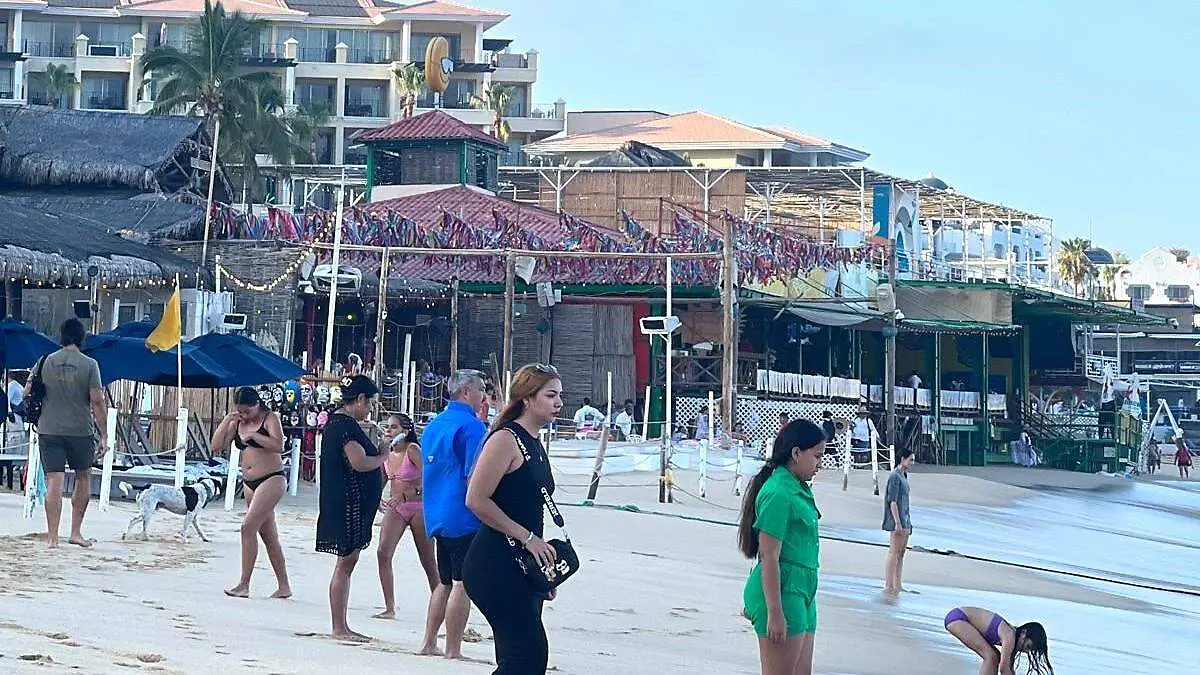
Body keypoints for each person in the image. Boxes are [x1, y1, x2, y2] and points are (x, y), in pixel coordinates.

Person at [464, 363, 564, 675]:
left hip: (523, 564)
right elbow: (475, 499)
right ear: (527, 399)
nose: (559, 403)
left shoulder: (533, 440)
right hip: (495, 562)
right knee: (526, 657)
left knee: (525, 658)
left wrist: (542, 569)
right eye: (550, 395)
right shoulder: (505, 439)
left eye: (559, 395)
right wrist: (528, 538)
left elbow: (529, 508)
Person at [738, 419, 826, 675]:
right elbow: (768, 554)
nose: (820, 463)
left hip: (804, 587)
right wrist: (774, 612)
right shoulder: (778, 492)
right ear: (796, 453)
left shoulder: (798, 488)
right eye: (816, 456)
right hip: (782, 589)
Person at [420, 369, 488, 658]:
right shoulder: (472, 427)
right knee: (462, 583)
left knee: (445, 582)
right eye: (481, 389)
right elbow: (475, 475)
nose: (484, 395)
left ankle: (429, 641)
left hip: (436, 512)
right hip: (462, 514)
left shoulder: (434, 424)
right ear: (467, 392)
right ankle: (453, 648)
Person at [315, 375, 386, 642]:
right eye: (370, 403)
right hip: (347, 504)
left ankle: (341, 625)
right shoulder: (344, 426)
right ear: (359, 399)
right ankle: (339, 627)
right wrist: (383, 455)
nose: (370, 409)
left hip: (349, 502)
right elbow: (359, 462)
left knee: (346, 562)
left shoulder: (340, 423)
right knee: (345, 562)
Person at [29, 318, 107, 549]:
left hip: (49, 428)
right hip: (80, 430)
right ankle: (75, 533)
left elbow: (27, 392)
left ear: (61, 336)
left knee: (54, 480)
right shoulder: (90, 364)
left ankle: (52, 538)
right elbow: (97, 401)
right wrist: (104, 434)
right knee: (83, 477)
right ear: (82, 338)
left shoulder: (44, 361)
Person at [214, 387, 291, 599]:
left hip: (271, 478)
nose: (244, 415)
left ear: (257, 404)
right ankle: (284, 586)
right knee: (268, 536)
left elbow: (279, 445)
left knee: (247, 527)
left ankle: (244, 584)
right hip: (249, 483)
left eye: (247, 411)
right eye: (240, 411)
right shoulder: (238, 422)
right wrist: (228, 421)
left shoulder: (270, 418)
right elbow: (216, 446)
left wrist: (254, 435)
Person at [374, 413, 438, 619]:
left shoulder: (413, 450)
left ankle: (441, 604)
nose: (388, 430)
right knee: (383, 552)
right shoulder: (387, 452)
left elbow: (430, 480)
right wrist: (375, 499)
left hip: (418, 505)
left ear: (405, 431)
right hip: (396, 505)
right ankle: (389, 607)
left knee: (427, 560)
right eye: (387, 426)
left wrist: (407, 494)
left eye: (394, 427)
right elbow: (382, 480)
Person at [943, 606, 1053, 675]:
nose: (1025, 650)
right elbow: (1003, 668)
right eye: (1027, 646)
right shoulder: (1009, 635)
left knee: (995, 656)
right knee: (990, 656)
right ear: (1024, 633)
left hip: (961, 618)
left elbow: (1009, 668)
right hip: (959, 618)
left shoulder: (1013, 641)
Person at [883, 448, 915, 595]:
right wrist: (897, 522)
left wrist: (908, 522)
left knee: (901, 553)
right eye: (910, 460)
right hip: (897, 518)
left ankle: (898, 584)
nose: (912, 463)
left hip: (905, 517)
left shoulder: (904, 475)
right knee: (894, 552)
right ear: (903, 459)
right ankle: (889, 584)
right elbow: (893, 501)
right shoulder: (895, 476)